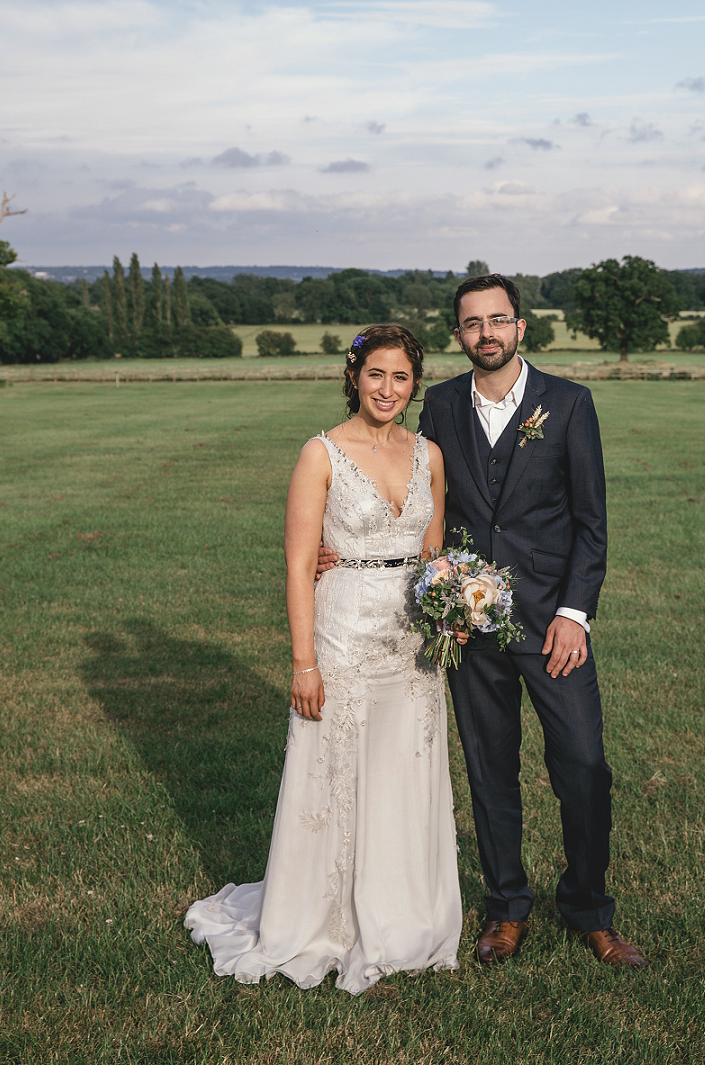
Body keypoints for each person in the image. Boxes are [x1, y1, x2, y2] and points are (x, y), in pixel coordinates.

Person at [185, 324, 462, 995]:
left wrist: (459, 598)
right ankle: (322, 917)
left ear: (413, 382)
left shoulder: (430, 454)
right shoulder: (321, 454)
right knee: (336, 772)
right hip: (342, 634)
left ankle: (406, 914)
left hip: (412, 644)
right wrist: (303, 662)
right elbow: (299, 563)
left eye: (400, 377)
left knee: (405, 771)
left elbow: (432, 555)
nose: (388, 389)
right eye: (376, 375)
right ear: (354, 376)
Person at [416, 273, 648, 969]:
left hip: (554, 624)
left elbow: (590, 521)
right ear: (458, 335)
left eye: (498, 320)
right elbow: (424, 507)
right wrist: (438, 597)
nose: (485, 333)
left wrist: (576, 613)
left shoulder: (569, 404)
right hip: (470, 626)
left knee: (583, 765)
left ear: (521, 327)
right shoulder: (440, 405)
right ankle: (506, 907)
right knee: (490, 771)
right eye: (472, 323)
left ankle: (587, 906)